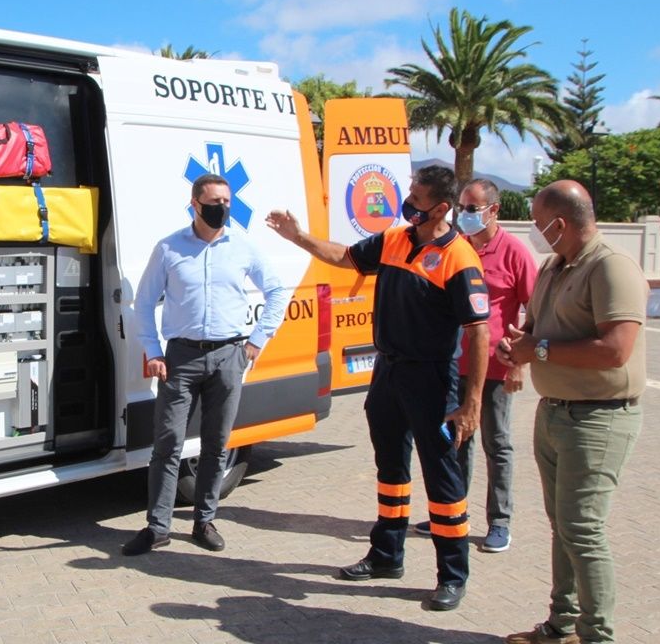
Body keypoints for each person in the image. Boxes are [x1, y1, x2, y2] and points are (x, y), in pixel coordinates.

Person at [267, 165, 490, 611]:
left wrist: (472, 404)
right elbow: (344, 256)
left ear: (441, 208)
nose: (408, 202)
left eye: (416, 197)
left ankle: (452, 574)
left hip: (432, 379)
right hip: (388, 374)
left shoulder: (459, 258)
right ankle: (386, 555)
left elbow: (478, 333)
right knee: (391, 468)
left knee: (442, 477)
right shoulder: (394, 239)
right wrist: (298, 237)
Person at [497, 180, 646, 644]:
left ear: (560, 224)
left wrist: (535, 350)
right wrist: (516, 347)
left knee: (582, 529)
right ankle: (560, 626)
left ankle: (597, 635)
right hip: (555, 413)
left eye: (541, 224)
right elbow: (536, 331)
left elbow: (615, 350)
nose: (537, 232)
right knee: (562, 526)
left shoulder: (611, 268)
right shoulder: (554, 266)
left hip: (599, 418)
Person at [122, 173, 289, 556]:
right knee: (167, 444)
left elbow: (277, 290)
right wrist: (154, 350)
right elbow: (144, 303)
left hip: (229, 356)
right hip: (180, 358)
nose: (223, 209)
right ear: (195, 204)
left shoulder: (243, 246)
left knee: (216, 445)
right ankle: (158, 527)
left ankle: (204, 521)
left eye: (227, 202)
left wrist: (256, 342)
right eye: (215, 202)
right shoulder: (169, 248)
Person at [413, 179, 536, 553]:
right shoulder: (454, 247)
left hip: (495, 370)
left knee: (496, 444)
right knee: (456, 441)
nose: (462, 215)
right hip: (452, 366)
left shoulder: (515, 253)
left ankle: (499, 521)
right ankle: (453, 512)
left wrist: (519, 361)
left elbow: (537, 310)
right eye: (460, 207)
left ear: (493, 210)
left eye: (471, 208)